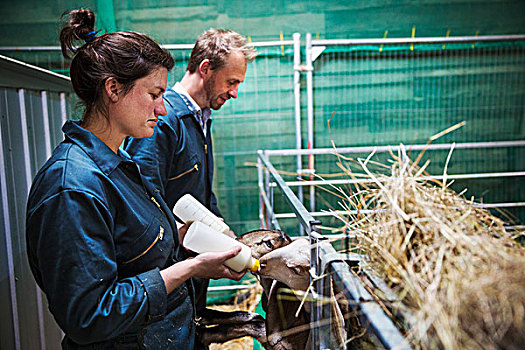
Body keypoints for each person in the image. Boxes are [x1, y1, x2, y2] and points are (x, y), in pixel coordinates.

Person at [25, 9, 244, 349]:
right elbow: (90, 315)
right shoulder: (71, 187)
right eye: (155, 94)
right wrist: (190, 269)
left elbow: (134, 245)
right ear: (113, 88)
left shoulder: (121, 164)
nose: (162, 108)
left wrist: (184, 236)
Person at [124, 29, 257, 316]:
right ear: (206, 69)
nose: (235, 93)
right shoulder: (163, 120)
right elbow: (142, 199)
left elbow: (196, 186)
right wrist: (186, 239)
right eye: (231, 82)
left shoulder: (200, 117)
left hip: (194, 258)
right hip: (169, 269)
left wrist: (219, 225)